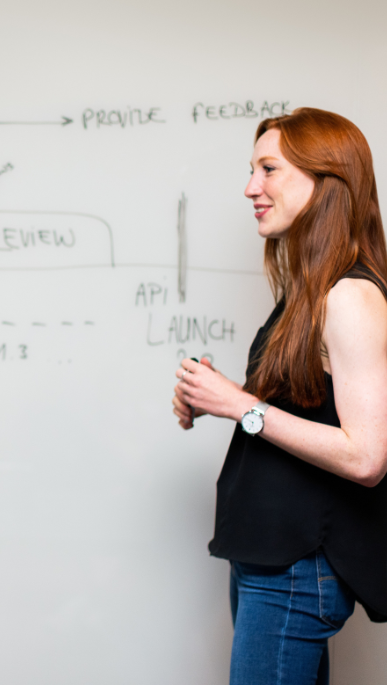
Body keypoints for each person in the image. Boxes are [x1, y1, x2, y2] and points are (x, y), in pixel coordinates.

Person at [173, 107, 387, 684]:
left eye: (268, 169)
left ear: (327, 180)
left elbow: (366, 457)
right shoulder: (310, 292)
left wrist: (238, 405)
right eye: (252, 169)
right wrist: (217, 397)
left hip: (295, 568)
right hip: (268, 558)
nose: (251, 188)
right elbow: (303, 409)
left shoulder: (351, 297)